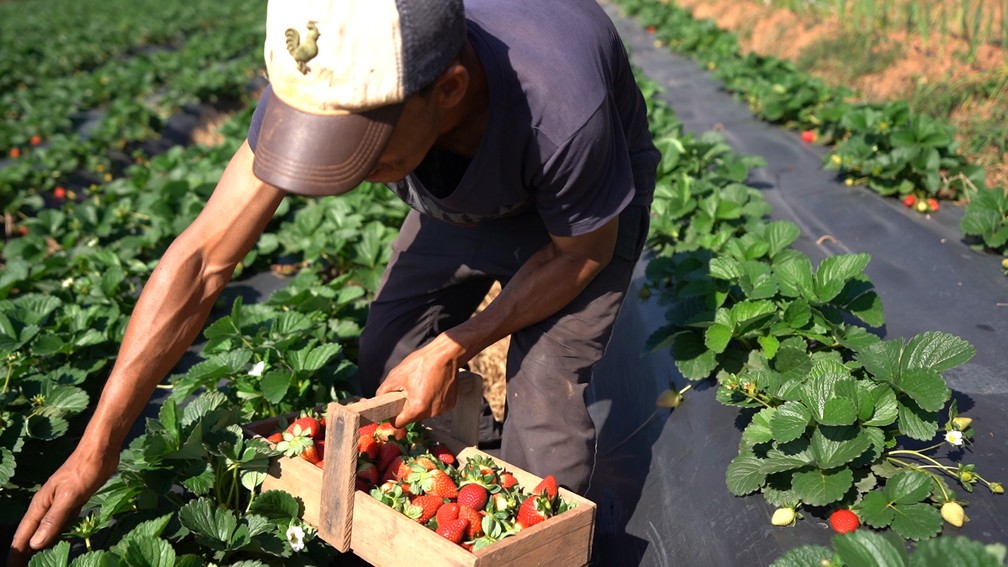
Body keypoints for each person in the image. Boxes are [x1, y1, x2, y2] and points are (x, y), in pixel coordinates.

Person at [8, 0, 659, 562]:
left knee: (543, 410)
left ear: (450, 88)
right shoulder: (335, 62)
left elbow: (579, 256)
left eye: (365, 149)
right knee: (387, 358)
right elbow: (203, 258)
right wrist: (98, 445)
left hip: (578, 219)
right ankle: (432, 506)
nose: (348, 168)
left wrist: (455, 344)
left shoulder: (563, 106)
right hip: (458, 193)